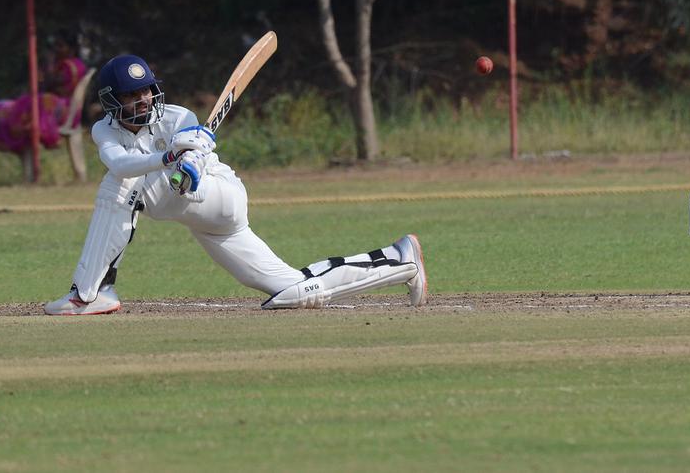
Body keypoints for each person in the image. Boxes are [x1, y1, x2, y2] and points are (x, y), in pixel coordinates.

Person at [44, 53, 427, 315]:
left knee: (122, 188)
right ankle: (399, 259)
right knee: (293, 292)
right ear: (113, 100)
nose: (143, 100)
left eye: (146, 91)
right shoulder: (104, 130)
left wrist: (192, 159)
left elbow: (187, 148)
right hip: (204, 221)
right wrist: (169, 159)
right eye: (131, 95)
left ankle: (89, 294)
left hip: (219, 196)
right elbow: (119, 162)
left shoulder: (179, 117)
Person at [0, 32, 88, 178]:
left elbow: (52, 84)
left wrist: (48, 66)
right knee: (1, 107)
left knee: (40, 103)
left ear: (72, 49)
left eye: (61, 46)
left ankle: (30, 129)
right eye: (55, 46)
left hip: (64, 111)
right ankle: (16, 139)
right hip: (48, 106)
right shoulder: (61, 65)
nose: (57, 50)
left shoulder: (71, 66)